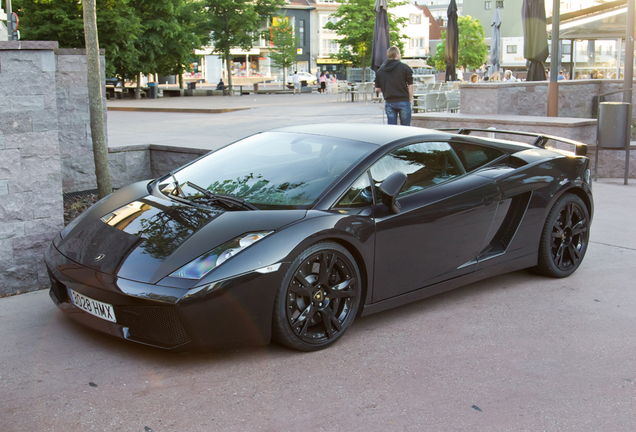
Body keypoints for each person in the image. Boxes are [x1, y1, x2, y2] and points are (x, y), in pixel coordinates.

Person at [374, 46, 413, 126]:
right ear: (396, 55)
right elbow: (411, 85)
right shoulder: (405, 68)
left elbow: (377, 89)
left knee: (392, 128)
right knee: (406, 128)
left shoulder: (380, 70)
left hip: (389, 101)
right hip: (403, 100)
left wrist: (386, 89)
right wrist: (409, 100)